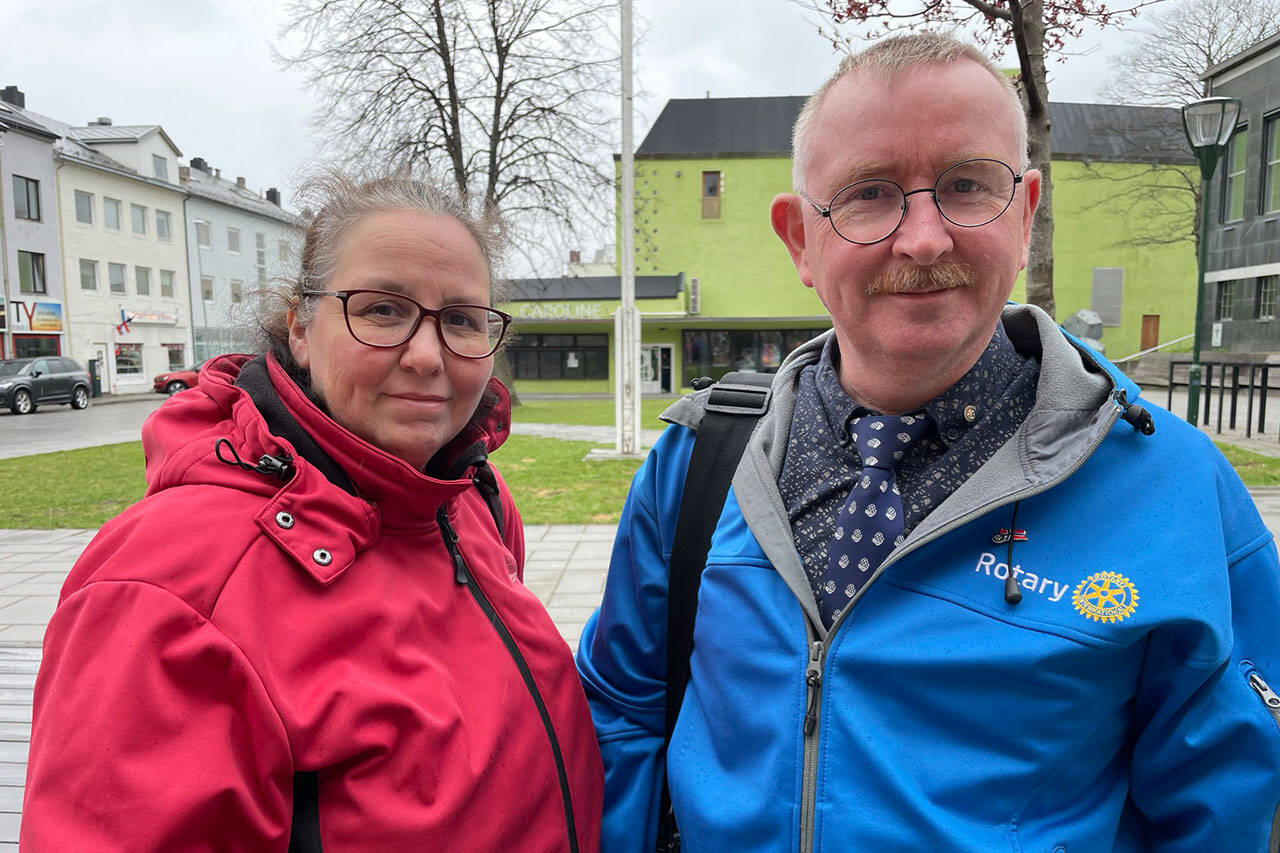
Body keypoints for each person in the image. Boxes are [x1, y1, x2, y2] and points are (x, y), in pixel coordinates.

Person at [576, 32, 1280, 852]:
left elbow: (1226, 803)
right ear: (801, 239)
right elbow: (621, 717)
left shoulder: (1174, 490)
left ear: (1024, 214)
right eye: (869, 193)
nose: (921, 238)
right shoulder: (699, 463)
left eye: (966, 185)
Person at [23, 174, 603, 850]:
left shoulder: (472, 501)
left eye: (462, 320)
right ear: (300, 326)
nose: (426, 354)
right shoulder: (169, 588)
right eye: (383, 309)